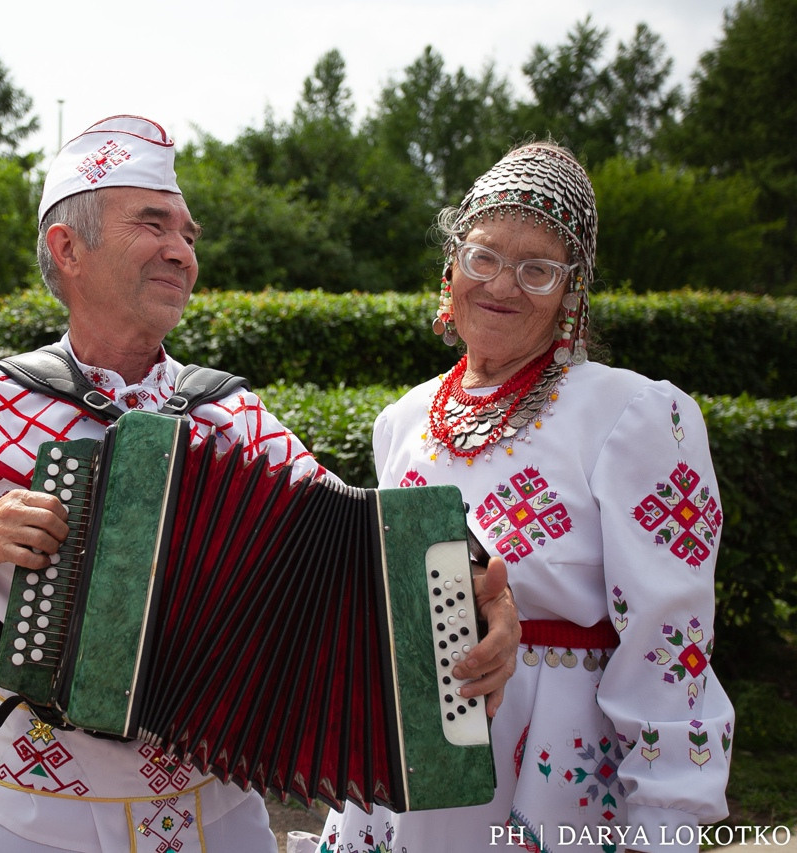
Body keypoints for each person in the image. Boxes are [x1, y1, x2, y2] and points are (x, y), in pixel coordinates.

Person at [0, 115, 520, 853]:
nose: (181, 251)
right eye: (155, 225)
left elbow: (361, 544)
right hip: (39, 816)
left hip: (220, 814)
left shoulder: (229, 411)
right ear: (67, 248)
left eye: (189, 235)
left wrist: (477, 588)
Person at [310, 143, 733, 853]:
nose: (503, 284)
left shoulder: (633, 414)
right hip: (404, 777)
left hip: (552, 786)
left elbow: (671, 642)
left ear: (571, 291)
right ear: (451, 267)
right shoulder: (404, 420)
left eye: (538, 268)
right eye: (483, 257)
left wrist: (666, 819)